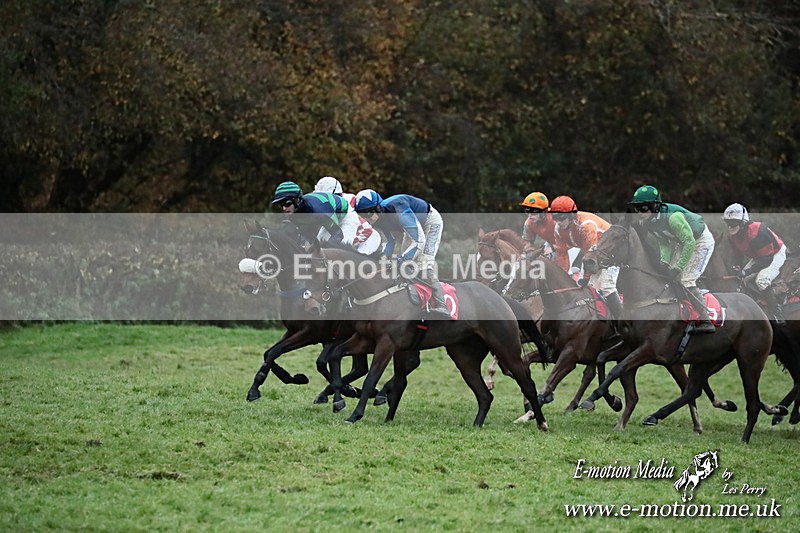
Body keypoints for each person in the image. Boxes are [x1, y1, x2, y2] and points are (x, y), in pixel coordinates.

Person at [628, 185, 716, 334]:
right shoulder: (649, 222)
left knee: (686, 279)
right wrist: (665, 263)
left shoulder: (673, 218)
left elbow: (690, 242)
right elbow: (664, 242)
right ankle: (681, 309)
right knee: (670, 276)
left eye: (642, 209)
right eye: (637, 209)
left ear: (654, 206)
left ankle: (706, 318)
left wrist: (678, 267)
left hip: (700, 241)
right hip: (683, 242)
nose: (639, 213)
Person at [353, 188, 450, 317]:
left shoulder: (399, 208)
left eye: (367, 214)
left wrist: (402, 259)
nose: (366, 219)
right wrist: (382, 260)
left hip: (430, 223)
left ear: (377, 208)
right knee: (404, 267)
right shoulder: (378, 219)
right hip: (412, 228)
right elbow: (390, 242)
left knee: (423, 264)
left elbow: (419, 241)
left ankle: (442, 305)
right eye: (362, 215)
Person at [548, 195, 621, 319]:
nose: (559, 222)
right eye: (555, 218)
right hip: (594, 253)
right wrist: (564, 276)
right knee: (590, 289)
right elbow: (561, 255)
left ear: (572, 215)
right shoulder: (558, 229)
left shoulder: (586, 225)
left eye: (561, 218)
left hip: (613, 251)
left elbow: (589, 256)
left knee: (605, 286)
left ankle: (623, 322)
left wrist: (584, 277)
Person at [723, 202, 787, 325]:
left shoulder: (758, 232)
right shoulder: (732, 236)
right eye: (728, 223)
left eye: (734, 223)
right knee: (745, 280)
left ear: (743, 223)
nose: (730, 226)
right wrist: (737, 267)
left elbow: (766, 260)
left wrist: (746, 271)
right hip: (760, 255)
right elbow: (737, 255)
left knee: (761, 281)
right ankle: (760, 303)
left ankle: (777, 314)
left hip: (775, 253)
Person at [270, 181, 354, 248]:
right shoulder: (294, 215)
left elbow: (338, 234)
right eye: (281, 205)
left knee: (338, 248)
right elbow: (307, 235)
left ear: (297, 201)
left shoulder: (319, 211)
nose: (284, 208)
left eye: (287, 203)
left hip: (346, 215)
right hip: (327, 217)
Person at [313, 176, 381, 254]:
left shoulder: (348, 206)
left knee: (336, 252)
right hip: (340, 225)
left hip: (367, 239)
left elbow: (365, 228)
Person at [520, 192, 556, 256]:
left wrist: (552, 249)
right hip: (552, 243)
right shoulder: (528, 223)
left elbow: (568, 242)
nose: (530, 216)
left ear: (543, 212)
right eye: (527, 212)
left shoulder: (556, 219)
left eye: (533, 213)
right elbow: (527, 242)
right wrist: (529, 251)